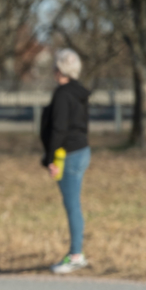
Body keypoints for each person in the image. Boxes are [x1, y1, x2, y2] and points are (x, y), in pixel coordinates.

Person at [40, 48, 91, 274]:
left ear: (59, 69)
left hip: (67, 154)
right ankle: (76, 252)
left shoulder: (62, 94)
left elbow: (59, 128)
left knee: (72, 205)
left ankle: (76, 255)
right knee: (74, 203)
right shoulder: (80, 93)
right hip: (82, 150)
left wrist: (50, 158)